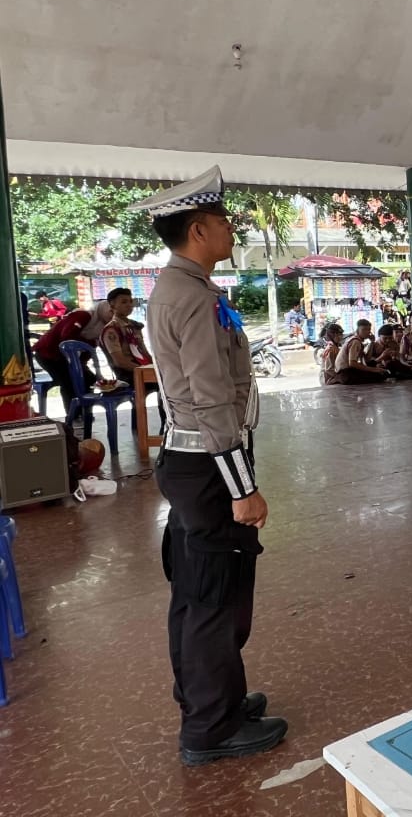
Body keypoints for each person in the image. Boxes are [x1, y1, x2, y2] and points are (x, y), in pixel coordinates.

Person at [126, 165, 287, 765]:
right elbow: (211, 398)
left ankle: (211, 697)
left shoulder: (183, 288)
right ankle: (210, 728)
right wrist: (243, 487)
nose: (230, 229)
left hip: (194, 461)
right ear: (198, 230)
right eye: (222, 221)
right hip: (209, 466)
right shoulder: (191, 297)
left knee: (199, 592)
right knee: (214, 598)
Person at [32, 309, 93, 412]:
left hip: (66, 358)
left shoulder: (102, 326)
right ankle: (73, 414)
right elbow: (67, 337)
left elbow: (87, 353)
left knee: (90, 378)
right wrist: (87, 342)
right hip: (49, 354)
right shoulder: (83, 316)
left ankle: (85, 412)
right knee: (68, 381)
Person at [99, 288, 154, 383]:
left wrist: (155, 366)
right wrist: (145, 371)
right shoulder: (111, 330)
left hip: (142, 367)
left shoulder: (134, 326)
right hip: (128, 374)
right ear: (112, 305)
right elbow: (120, 362)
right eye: (124, 302)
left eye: (130, 301)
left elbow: (144, 352)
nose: (129, 305)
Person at [334, 320, 391, 384]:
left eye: (369, 329)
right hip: (346, 373)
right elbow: (352, 363)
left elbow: (367, 360)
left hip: (348, 372)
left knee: (379, 372)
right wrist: (374, 369)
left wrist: (372, 342)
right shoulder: (355, 341)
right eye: (364, 329)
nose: (367, 332)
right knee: (380, 375)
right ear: (358, 330)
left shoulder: (358, 341)